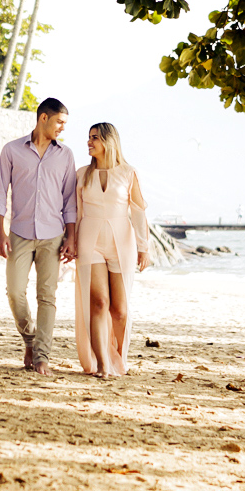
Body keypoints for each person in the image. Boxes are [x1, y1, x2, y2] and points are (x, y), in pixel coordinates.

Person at [0, 98, 77, 376]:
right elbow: (0, 194)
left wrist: (71, 238)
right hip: (19, 233)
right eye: (59, 122)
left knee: (47, 296)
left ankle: (42, 356)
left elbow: (69, 201)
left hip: (53, 235)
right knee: (15, 291)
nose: (62, 128)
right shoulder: (12, 150)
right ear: (43, 118)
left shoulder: (65, 155)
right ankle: (29, 338)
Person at [74, 123, 149, 378]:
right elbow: (76, 212)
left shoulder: (128, 173)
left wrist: (144, 247)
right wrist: (71, 241)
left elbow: (138, 211)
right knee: (98, 303)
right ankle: (103, 363)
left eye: (94, 138)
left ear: (109, 141)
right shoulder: (82, 174)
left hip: (121, 241)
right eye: (89, 138)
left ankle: (117, 355)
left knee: (119, 310)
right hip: (89, 239)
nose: (89, 142)